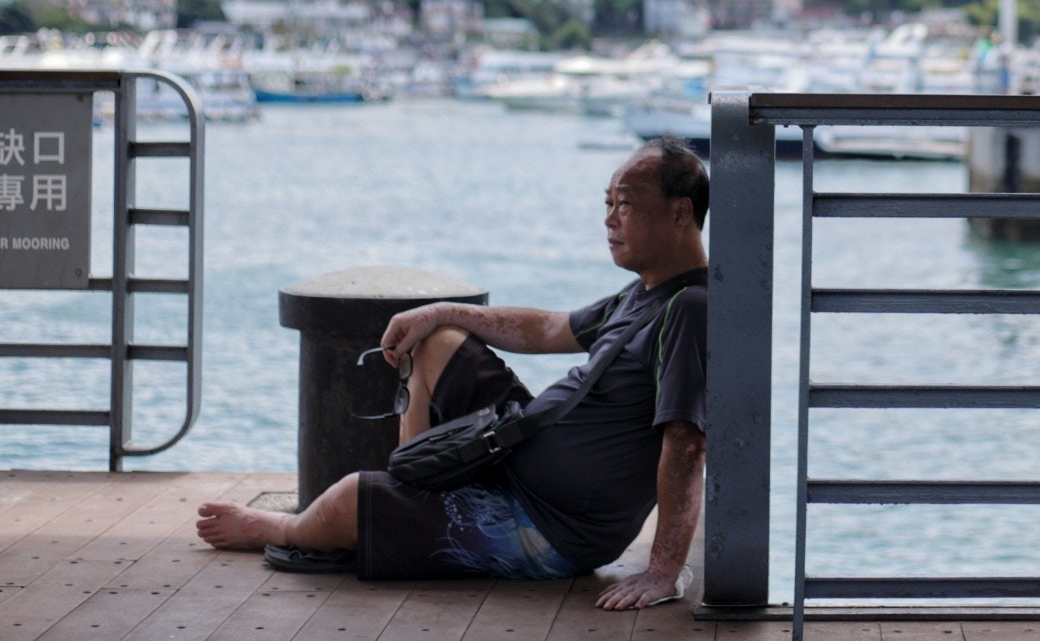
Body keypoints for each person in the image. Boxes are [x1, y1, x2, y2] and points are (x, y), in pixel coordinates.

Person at [196, 138, 710, 612]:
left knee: (346, 501)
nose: (609, 219)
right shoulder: (643, 294)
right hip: (515, 457)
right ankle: (409, 494)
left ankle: (290, 527)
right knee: (438, 342)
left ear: (680, 213)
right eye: (607, 204)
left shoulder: (688, 308)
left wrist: (663, 570)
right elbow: (550, 327)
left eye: (624, 203)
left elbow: (685, 444)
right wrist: (442, 311)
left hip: (551, 527)